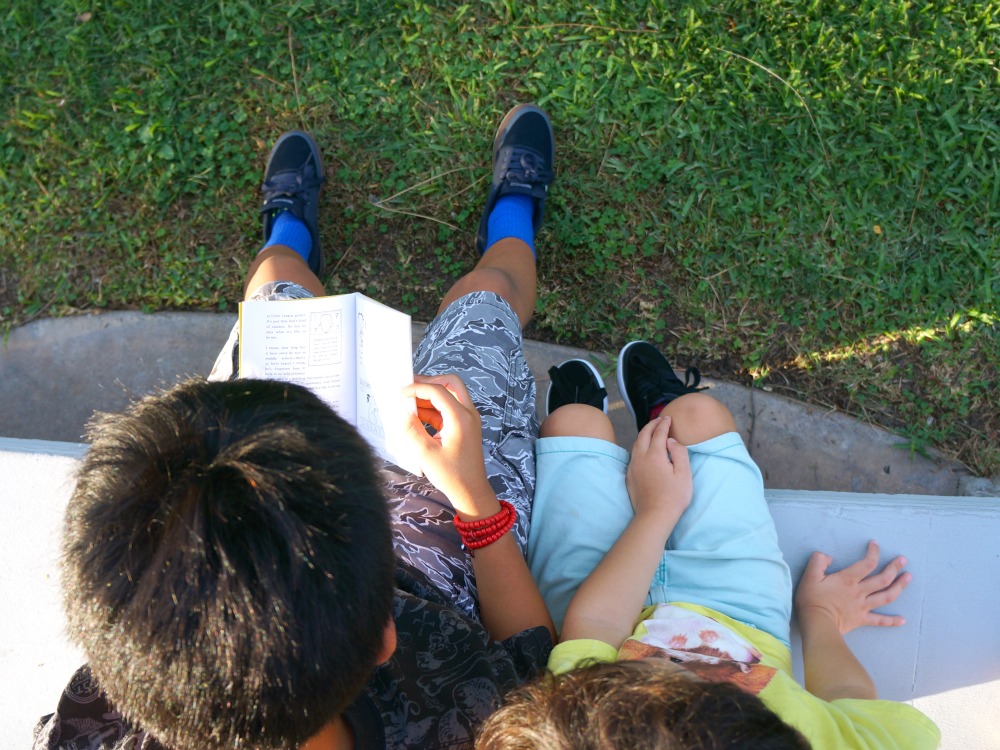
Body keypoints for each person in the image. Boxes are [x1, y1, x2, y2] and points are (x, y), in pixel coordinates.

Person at [34, 103, 558, 750]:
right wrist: (475, 500)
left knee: (276, 291)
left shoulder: (95, 721)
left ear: (117, 672)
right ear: (385, 641)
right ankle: (512, 219)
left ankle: (286, 232)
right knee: (488, 301)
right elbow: (536, 663)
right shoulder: (479, 724)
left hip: (343, 558)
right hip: (454, 525)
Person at [476, 345, 941, 749]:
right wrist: (821, 618)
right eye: (711, 681)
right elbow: (847, 700)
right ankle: (661, 418)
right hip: (745, 618)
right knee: (700, 416)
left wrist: (657, 511)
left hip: (596, 622)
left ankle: (599, 427)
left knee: (574, 423)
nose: (681, 662)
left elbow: (593, 626)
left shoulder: (579, 729)